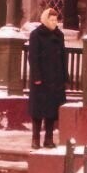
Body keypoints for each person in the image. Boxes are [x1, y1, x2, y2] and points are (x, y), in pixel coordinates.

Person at [27, 8, 68, 149]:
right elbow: (33, 57)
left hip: (55, 80)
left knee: (52, 110)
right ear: (45, 20)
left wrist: (64, 77)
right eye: (51, 20)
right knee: (38, 111)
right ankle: (35, 139)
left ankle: (49, 139)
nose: (54, 22)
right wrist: (36, 76)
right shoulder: (36, 35)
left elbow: (63, 56)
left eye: (56, 20)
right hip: (41, 80)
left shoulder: (59, 35)